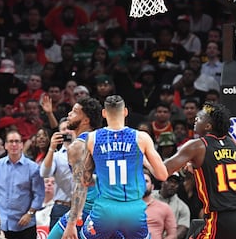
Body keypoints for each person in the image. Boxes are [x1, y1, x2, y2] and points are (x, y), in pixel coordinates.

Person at [64, 95, 168, 239]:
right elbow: (162, 175)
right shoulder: (141, 137)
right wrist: (143, 160)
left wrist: (71, 224)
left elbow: (82, 184)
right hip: (133, 210)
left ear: (104, 113)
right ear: (125, 112)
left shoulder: (92, 139)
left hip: (105, 210)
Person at [163, 102, 236, 239]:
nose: (196, 118)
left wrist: (144, 156)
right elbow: (219, 168)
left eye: (201, 118)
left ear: (208, 126)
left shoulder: (197, 146)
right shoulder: (234, 144)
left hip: (224, 216)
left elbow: (164, 169)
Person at [46, 97, 104, 239]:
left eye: (75, 112)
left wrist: (72, 223)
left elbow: (81, 187)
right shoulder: (102, 138)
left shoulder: (78, 145)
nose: (69, 115)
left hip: (87, 210)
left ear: (85, 120)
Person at [0, 130, 45, 239]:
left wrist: (30, 214)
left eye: (17, 141)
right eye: (11, 141)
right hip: (3, 222)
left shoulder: (33, 167)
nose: (14, 144)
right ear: (5, 145)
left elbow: (39, 194)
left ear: (22, 145)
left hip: (25, 224)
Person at [152, 172, 190, 239]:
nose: (173, 185)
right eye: (169, 181)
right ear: (162, 182)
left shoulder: (183, 207)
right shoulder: (149, 197)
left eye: (176, 183)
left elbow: (183, 229)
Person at [143, 172, 177, 239]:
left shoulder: (164, 208)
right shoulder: (126, 207)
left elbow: (173, 235)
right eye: (139, 181)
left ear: (152, 187)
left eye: (146, 181)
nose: (142, 183)